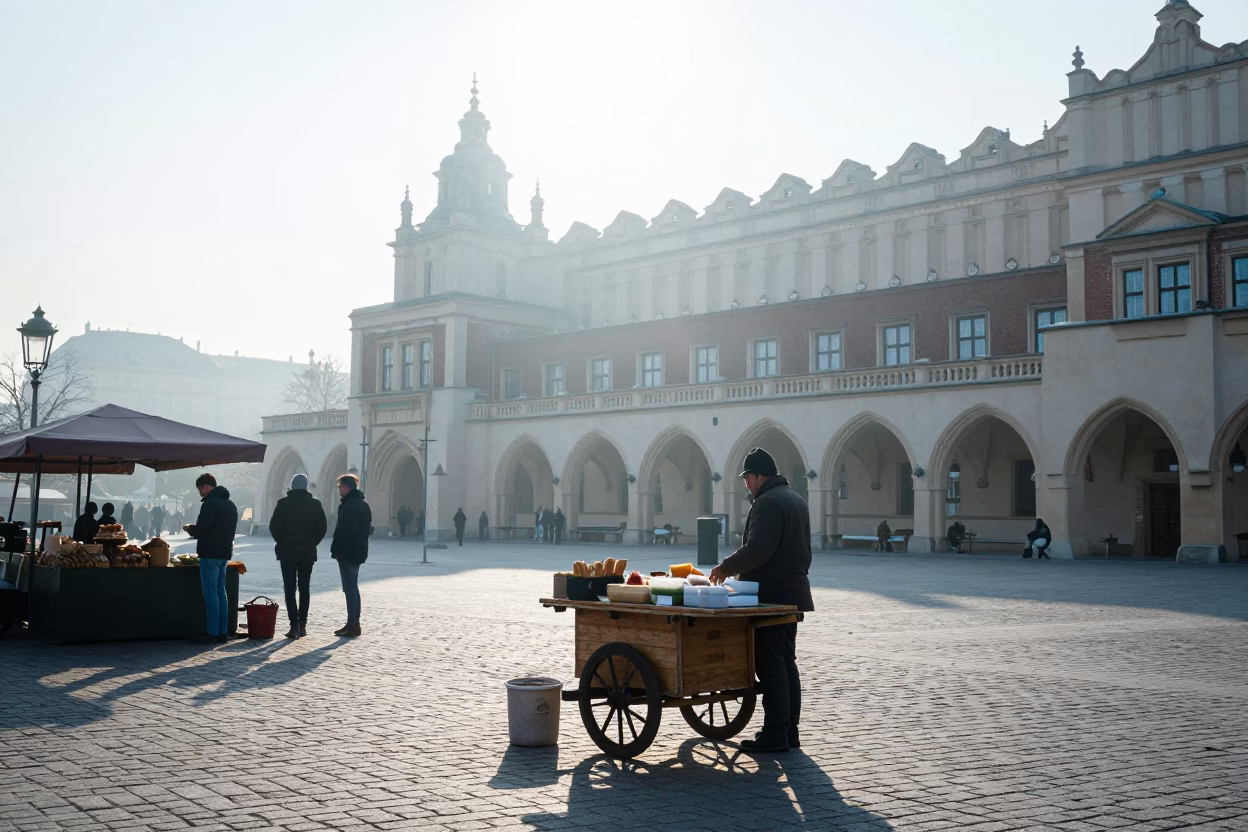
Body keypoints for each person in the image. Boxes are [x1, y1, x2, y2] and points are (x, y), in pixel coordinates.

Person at [709, 447, 813, 754]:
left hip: (770, 595)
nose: (746, 485)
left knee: (770, 666)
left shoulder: (768, 502)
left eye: (747, 478)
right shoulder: (795, 498)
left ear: (758, 476)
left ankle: (775, 733)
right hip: (793, 593)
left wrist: (725, 567)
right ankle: (789, 730)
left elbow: (758, 550)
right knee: (786, 662)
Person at [185, 473, 238, 645]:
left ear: (206, 487)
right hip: (224, 553)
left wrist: (190, 529)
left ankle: (212, 632)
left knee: (210, 593)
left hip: (209, 553)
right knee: (221, 592)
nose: (200, 492)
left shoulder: (210, 504)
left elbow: (203, 529)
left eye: (200, 489)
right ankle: (223, 631)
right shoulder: (230, 505)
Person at [330, 474, 371, 637]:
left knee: (350, 588)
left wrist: (338, 548)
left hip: (348, 552)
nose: (339, 490)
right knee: (352, 588)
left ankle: (353, 624)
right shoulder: (363, 504)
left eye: (341, 487)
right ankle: (353, 622)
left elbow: (346, 531)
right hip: (358, 550)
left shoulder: (349, 506)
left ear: (346, 487)